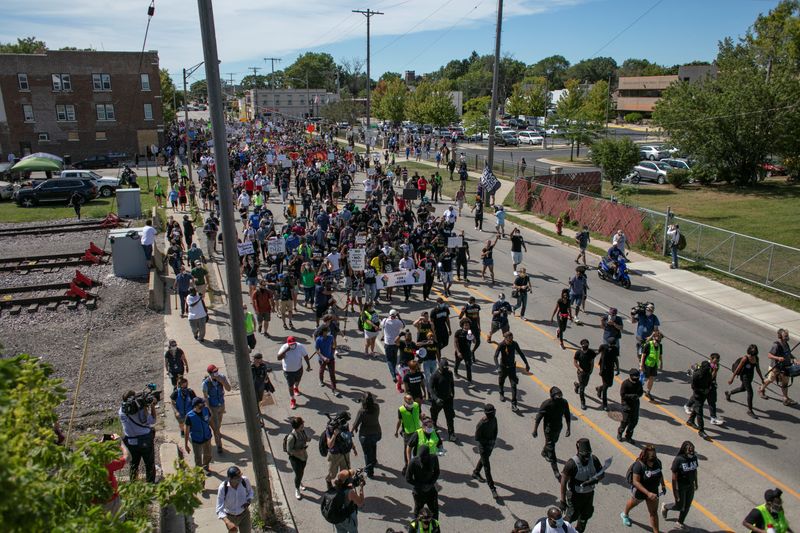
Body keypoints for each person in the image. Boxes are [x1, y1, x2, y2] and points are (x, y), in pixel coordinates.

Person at [560, 439, 604, 532]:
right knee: (571, 516)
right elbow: (563, 482)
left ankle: (579, 530)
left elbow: (602, 474)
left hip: (589, 495)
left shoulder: (594, 459)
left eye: (588, 454)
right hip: (575, 496)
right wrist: (562, 500)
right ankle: (560, 530)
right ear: (578, 452)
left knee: (586, 515)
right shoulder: (571, 464)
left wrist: (594, 480)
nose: (587, 457)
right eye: (584, 455)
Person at [621, 444, 666, 532]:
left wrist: (663, 485)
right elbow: (636, 482)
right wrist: (648, 493)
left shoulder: (658, 462)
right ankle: (625, 514)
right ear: (646, 455)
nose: (654, 456)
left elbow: (660, 474)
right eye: (651, 454)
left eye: (654, 454)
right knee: (633, 503)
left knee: (653, 513)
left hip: (653, 491)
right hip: (640, 492)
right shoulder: (639, 465)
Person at [533, 386, 571, 480]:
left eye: (560, 395)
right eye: (557, 395)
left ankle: (544, 452)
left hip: (558, 427)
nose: (559, 397)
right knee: (552, 448)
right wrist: (535, 429)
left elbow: (567, 415)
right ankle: (556, 471)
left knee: (554, 442)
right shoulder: (546, 404)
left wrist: (568, 428)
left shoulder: (564, 402)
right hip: (548, 429)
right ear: (552, 396)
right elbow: (539, 417)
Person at [118, 390, 157, 483]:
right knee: (149, 464)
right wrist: (151, 405)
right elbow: (152, 420)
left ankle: (133, 484)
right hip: (145, 439)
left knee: (133, 465)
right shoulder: (140, 409)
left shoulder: (121, 411)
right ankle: (151, 485)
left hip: (130, 441)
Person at [661, 440, 699, 530]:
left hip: (690, 485)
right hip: (681, 486)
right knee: (679, 505)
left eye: (693, 451)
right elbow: (674, 478)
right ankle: (666, 507)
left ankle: (680, 522)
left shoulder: (694, 457)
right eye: (690, 451)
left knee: (687, 505)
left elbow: (695, 470)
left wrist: (696, 482)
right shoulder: (679, 460)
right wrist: (675, 492)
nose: (691, 453)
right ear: (684, 450)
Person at [759, 328, 796, 406]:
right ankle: (761, 389)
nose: (787, 337)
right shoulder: (776, 345)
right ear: (780, 336)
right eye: (785, 336)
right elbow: (769, 355)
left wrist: (794, 359)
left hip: (786, 367)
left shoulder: (786, 344)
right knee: (770, 380)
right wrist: (778, 358)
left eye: (787, 336)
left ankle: (785, 398)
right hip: (776, 367)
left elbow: (788, 353)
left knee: (785, 383)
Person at [494, 332, 530, 411]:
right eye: (509, 340)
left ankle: (514, 404)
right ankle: (501, 393)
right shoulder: (501, 345)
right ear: (505, 339)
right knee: (501, 381)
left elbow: (521, 353)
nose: (511, 341)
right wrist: (498, 367)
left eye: (512, 339)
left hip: (512, 368)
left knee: (514, 386)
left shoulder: (514, 344)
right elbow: (495, 356)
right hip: (503, 367)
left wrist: (526, 364)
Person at [726, 344, 764, 417]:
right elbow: (738, 369)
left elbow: (758, 369)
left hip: (750, 376)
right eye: (751, 354)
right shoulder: (745, 359)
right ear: (749, 352)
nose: (752, 356)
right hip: (744, 376)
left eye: (754, 354)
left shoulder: (756, 358)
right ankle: (750, 410)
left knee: (742, 389)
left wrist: (762, 378)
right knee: (750, 393)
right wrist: (732, 378)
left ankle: (729, 393)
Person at [323, 468, 365, 533]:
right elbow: (360, 502)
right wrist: (361, 487)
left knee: (340, 531)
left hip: (337, 517)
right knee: (353, 531)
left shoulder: (335, 488)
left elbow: (345, 486)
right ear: (347, 480)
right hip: (348, 518)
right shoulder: (350, 492)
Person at [472, 403, 499, 499]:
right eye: (491, 413)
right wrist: (487, 442)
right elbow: (477, 438)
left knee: (484, 459)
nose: (493, 414)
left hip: (490, 444)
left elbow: (495, 430)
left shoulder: (494, 419)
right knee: (487, 467)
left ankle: (476, 472)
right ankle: (492, 488)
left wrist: (493, 441)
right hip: (483, 446)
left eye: (494, 412)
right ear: (487, 414)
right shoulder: (482, 423)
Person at [324, 414, 358, 491]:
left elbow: (348, 438)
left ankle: (341, 485)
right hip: (334, 455)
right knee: (332, 474)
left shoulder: (345, 426)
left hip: (345, 453)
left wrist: (354, 448)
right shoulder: (330, 428)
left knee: (345, 472)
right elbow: (329, 445)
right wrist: (334, 435)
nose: (345, 424)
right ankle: (328, 481)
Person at [352, 391, 382, 478]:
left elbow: (356, 423)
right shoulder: (376, 407)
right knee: (373, 445)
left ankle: (369, 471)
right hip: (377, 432)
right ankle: (374, 461)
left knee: (367, 453)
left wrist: (352, 431)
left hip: (365, 435)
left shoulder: (362, 411)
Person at [202, 364, 231, 453]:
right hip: (213, 406)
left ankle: (218, 433)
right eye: (214, 372)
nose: (216, 373)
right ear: (210, 373)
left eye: (217, 371)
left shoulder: (221, 377)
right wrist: (209, 409)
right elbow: (205, 397)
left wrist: (222, 381)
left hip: (221, 405)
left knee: (219, 423)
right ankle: (219, 445)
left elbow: (228, 389)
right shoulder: (206, 384)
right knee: (216, 428)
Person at [215, 466, 254, 533]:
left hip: (244, 514)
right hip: (231, 517)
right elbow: (219, 509)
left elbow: (250, 492)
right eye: (237, 478)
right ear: (230, 478)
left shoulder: (244, 480)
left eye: (240, 476)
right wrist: (227, 522)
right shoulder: (223, 488)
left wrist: (248, 500)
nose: (240, 478)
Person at [277, 336, 311, 410]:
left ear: (295, 342)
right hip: (288, 371)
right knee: (290, 386)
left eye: (293, 343)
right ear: (288, 343)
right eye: (290, 344)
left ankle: (296, 388)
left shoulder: (300, 346)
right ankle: (292, 399)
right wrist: (286, 350)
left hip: (298, 369)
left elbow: (305, 356)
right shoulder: (284, 347)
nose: (292, 345)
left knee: (297, 381)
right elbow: (278, 358)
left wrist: (308, 365)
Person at [184, 397, 213, 474]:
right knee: (198, 458)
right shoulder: (189, 416)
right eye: (201, 403)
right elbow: (187, 431)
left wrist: (216, 431)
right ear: (196, 406)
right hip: (197, 440)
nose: (203, 404)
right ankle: (199, 473)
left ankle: (206, 467)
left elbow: (210, 421)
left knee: (208, 455)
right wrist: (186, 444)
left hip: (207, 437)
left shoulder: (206, 410)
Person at [429, 359, 456, 441]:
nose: (446, 370)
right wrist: (436, 399)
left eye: (447, 368)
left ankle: (451, 434)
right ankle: (434, 423)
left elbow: (452, 384)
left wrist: (452, 394)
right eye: (444, 368)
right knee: (434, 413)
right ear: (440, 367)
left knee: (450, 417)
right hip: (438, 400)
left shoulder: (449, 373)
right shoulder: (434, 376)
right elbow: (431, 389)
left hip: (448, 399)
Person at [395, 394, 422, 472]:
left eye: (411, 401)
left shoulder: (416, 405)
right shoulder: (401, 410)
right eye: (409, 401)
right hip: (408, 433)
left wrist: (424, 423)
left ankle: (417, 463)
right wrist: (396, 431)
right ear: (405, 401)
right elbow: (399, 421)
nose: (411, 403)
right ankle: (407, 465)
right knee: (407, 449)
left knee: (417, 448)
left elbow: (419, 415)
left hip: (417, 431)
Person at [285, 417, 309, 500]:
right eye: (301, 424)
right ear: (297, 426)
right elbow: (289, 450)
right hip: (295, 459)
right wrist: (299, 451)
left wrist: (307, 439)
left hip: (304, 457)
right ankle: (297, 489)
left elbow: (306, 438)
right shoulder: (291, 437)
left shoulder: (302, 431)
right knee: (298, 474)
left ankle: (299, 482)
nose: (303, 425)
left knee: (301, 472)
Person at [618, 368, 644, 443]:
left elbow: (641, 392)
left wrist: (638, 396)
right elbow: (623, 395)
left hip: (635, 405)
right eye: (635, 377)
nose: (637, 379)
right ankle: (620, 433)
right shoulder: (625, 383)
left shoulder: (638, 383)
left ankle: (628, 436)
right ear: (631, 376)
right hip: (626, 405)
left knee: (634, 422)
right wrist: (632, 396)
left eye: (638, 377)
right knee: (625, 422)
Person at [315, 325, 341, 397]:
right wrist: (323, 358)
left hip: (331, 358)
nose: (328, 332)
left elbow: (333, 345)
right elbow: (317, 350)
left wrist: (332, 353)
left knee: (332, 374)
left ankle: (334, 390)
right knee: (322, 370)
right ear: (323, 332)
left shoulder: (331, 337)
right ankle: (321, 380)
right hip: (322, 359)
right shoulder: (318, 339)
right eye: (327, 331)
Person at [381, 309, 406, 381]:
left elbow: (381, 324)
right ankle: (394, 370)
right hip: (395, 343)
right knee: (394, 358)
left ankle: (393, 375)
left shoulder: (385, 321)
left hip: (388, 343)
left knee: (389, 360)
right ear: (396, 315)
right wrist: (399, 317)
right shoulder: (398, 322)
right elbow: (403, 325)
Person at [572, 340, 597, 410]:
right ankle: (583, 403)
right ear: (581, 345)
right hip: (581, 373)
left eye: (586, 344)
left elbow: (592, 362)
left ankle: (577, 385)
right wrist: (579, 369)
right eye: (583, 344)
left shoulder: (591, 352)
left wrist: (591, 370)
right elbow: (575, 362)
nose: (585, 345)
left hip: (588, 372)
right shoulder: (578, 353)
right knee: (582, 389)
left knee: (585, 385)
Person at [639, 331, 664, 400]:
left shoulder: (660, 346)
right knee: (644, 378)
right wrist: (641, 365)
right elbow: (643, 355)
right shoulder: (648, 345)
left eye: (660, 338)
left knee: (652, 378)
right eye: (658, 338)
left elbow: (660, 355)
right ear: (654, 337)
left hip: (654, 365)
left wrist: (661, 363)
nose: (659, 339)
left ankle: (648, 392)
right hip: (647, 365)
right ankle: (637, 388)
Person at [596, 341, 619, 411]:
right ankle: (605, 404)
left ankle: (600, 388)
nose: (611, 346)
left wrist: (617, 368)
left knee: (610, 384)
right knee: (605, 387)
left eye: (612, 344)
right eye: (610, 344)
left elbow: (616, 358)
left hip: (610, 369)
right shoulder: (603, 347)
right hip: (604, 369)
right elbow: (597, 353)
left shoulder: (615, 349)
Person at [453, 318, 476, 383]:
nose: (467, 326)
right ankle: (455, 371)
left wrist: (473, 336)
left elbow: (474, 342)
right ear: (462, 325)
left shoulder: (470, 332)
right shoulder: (458, 332)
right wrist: (458, 352)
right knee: (457, 363)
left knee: (468, 366)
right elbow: (455, 342)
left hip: (467, 352)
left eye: (468, 325)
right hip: (460, 352)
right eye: (465, 325)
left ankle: (469, 381)